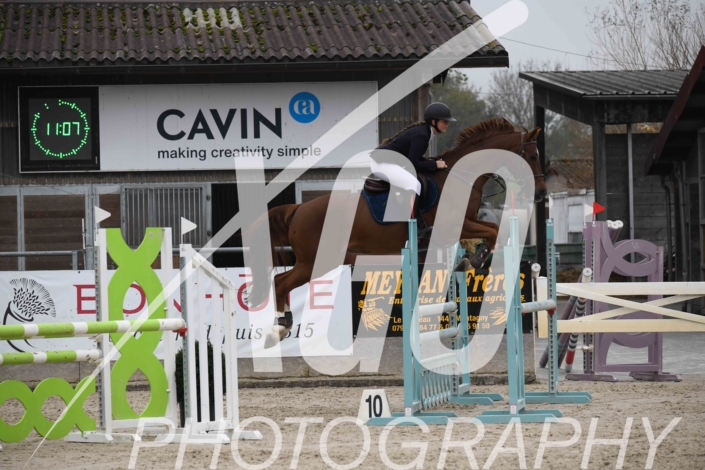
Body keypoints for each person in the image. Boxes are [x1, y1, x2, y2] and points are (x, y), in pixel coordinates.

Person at [371, 102, 455, 228]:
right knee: (414, 184)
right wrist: (435, 164)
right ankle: (412, 226)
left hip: (389, 162)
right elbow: (413, 164)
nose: (447, 124)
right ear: (433, 122)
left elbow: (414, 159)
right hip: (382, 164)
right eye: (444, 121)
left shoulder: (426, 132)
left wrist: (431, 162)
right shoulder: (422, 134)